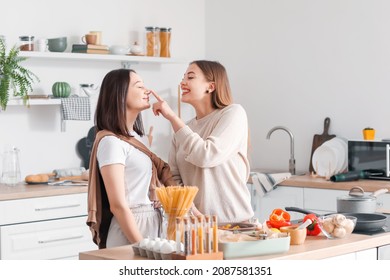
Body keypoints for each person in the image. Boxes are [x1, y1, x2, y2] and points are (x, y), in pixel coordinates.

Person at [151, 60, 254, 223]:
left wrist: (172, 117)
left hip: (235, 226)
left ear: (211, 86)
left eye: (190, 77)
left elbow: (207, 156)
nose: (182, 82)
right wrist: (190, 212)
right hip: (196, 228)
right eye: (183, 77)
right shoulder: (184, 129)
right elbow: (174, 178)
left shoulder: (233, 113)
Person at [87, 69, 176, 249]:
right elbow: (118, 205)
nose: (147, 91)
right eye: (139, 86)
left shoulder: (136, 138)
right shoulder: (111, 142)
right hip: (130, 229)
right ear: (119, 94)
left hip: (151, 223)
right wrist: (142, 246)